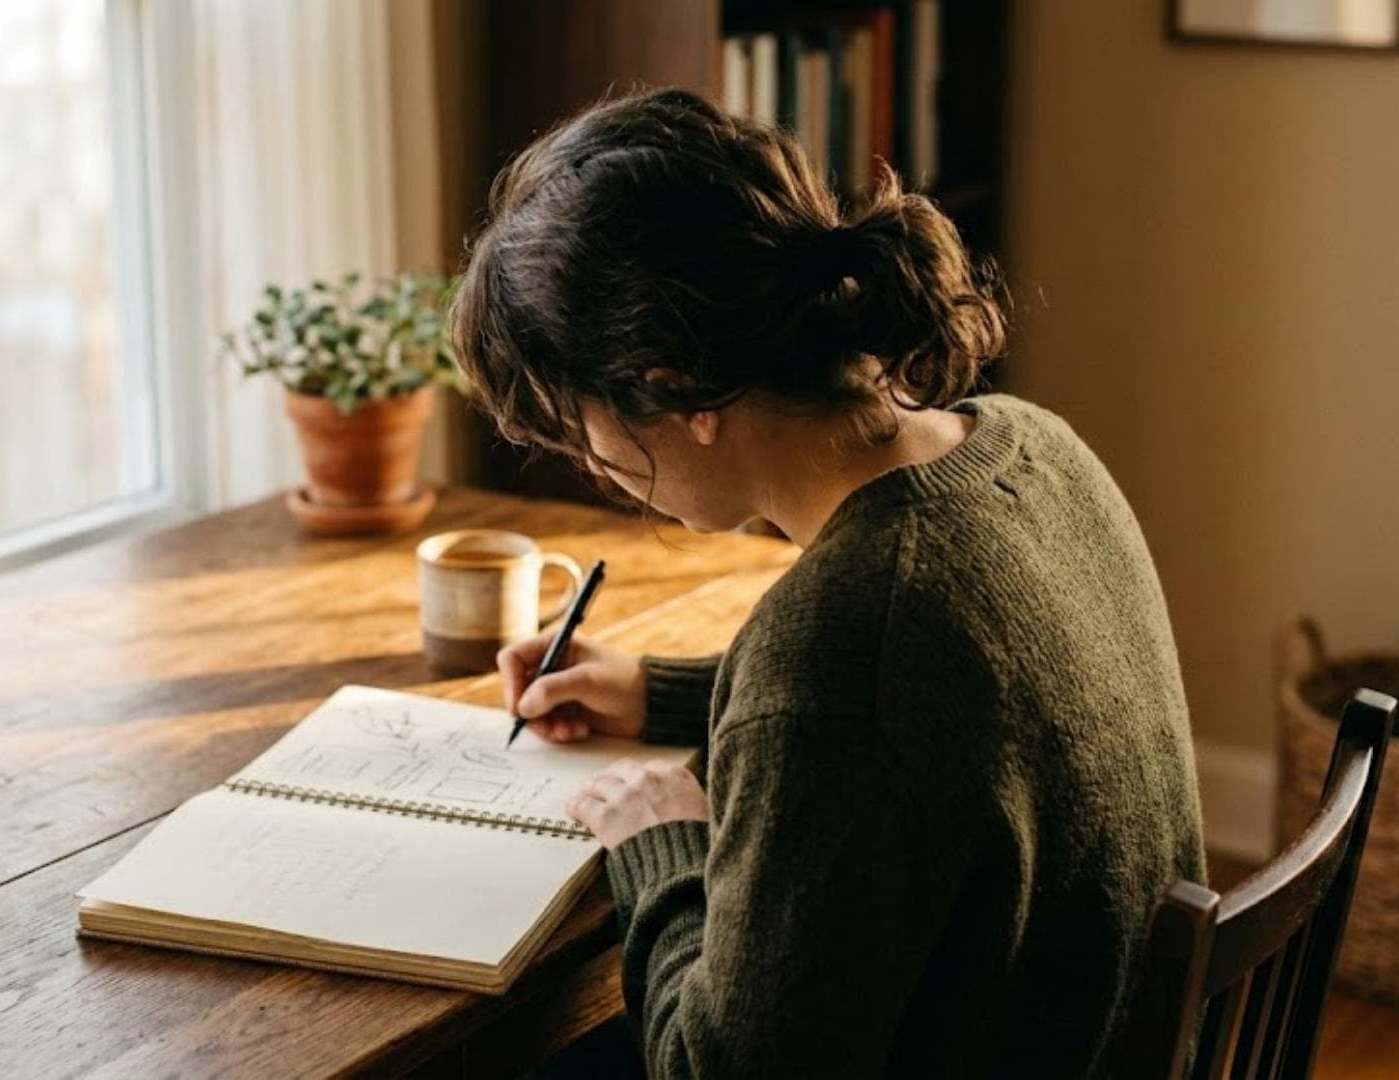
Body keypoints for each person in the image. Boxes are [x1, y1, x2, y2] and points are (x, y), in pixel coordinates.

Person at [448, 88, 1204, 1078]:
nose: (591, 459)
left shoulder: (843, 640)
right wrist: (665, 690)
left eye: (581, 420)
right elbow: (943, 704)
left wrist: (661, 841)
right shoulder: (1028, 444)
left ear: (678, 390)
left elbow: (719, 1072)